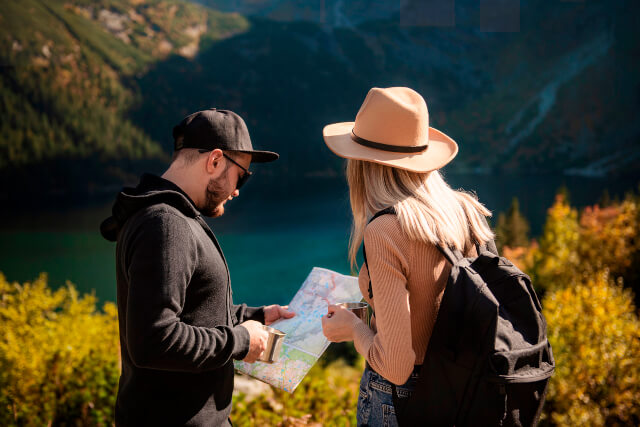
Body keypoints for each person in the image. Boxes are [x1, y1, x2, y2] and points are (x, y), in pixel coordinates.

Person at [100, 108, 294, 426]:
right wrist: (241, 341)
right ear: (214, 160)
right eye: (241, 176)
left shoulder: (168, 217)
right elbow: (154, 341)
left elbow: (192, 313)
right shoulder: (166, 225)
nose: (236, 190)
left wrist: (253, 317)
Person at [320, 87, 494, 426]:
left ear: (363, 165)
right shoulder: (468, 211)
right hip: (461, 392)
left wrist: (354, 329)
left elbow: (398, 366)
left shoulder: (385, 230)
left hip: (401, 405)